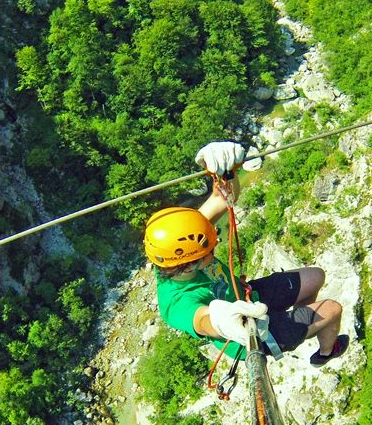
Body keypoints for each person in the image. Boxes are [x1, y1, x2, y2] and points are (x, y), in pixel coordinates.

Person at [145, 141, 349, 365]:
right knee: (332, 309)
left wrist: (224, 173)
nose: (213, 252)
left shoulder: (178, 243)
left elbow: (222, 198)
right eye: (207, 253)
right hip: (249, 334)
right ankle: (326, 352)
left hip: (250, 296)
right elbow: (202, 321)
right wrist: (222, 322)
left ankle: (298, 326)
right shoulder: (176, 303)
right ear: (186, 264)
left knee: (315, 276)